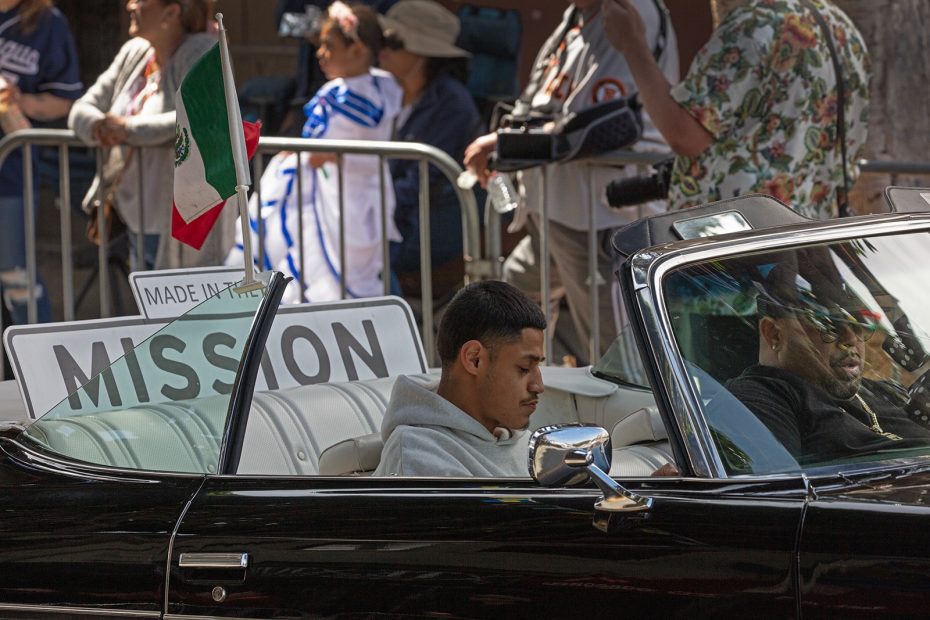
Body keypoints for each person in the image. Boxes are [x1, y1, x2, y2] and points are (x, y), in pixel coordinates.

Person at [463, 0, 679, 363]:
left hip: (604, 215)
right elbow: (536, 106)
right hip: (555, 209)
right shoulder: (576, 15)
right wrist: (507, 139)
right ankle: (526, 395)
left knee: (618, 353)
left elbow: (603, 125)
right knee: (507, 301)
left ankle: (637, 417)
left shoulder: (630, 10)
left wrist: (506, 143)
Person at [603, 0, 871, 219]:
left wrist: (632, 44)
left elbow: (684, 134)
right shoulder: (842, 28)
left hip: (737, 241)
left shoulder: (750, 27)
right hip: (810, 233)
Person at [227, 2, 402, 303]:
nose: (320, 54)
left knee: (333, 263)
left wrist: (298, 157)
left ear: (357, 50)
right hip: (359, 190)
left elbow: (325, 150)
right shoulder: (384, 87)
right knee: (342, 266)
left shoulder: (344, 94)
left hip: (338, 193)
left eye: (329, 46)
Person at [726, 259, 930, 465]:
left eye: (858, 325)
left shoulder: (882, 391)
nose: (851, 339)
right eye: (829, 325)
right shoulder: (756, 401)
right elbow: (781, 490)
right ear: (774, 334)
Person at [69, 0, 218, 271]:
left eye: (140, 0)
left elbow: (199, 118)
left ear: (170, 12)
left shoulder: (201, 50)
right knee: (149, 312)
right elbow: (79, 110)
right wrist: (99, 126)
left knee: (178, 311)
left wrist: (126, 129)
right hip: (133, 218)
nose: (129, 6)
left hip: (180, 222)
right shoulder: (134, 52)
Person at [374, 279, 547, 477]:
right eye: (524, 368)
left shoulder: (528, 445)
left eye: (538, 366)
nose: (538, 385)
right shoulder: (417, 453)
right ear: (474, 359)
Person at [377, 0, 481, 298]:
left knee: (354, 253)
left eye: (394, 42)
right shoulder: (385, 92)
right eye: (382, 41)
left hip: (422, 226)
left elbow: (422, 181)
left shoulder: (452, 105)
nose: (382, 50)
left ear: (422, 53)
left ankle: (383, 334)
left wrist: (367, 206)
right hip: (386, 214)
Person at [0, 0, 81, 324]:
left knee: (15, 274)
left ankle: (37, 366)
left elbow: (64, 101)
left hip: (12, 170)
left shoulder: (47, 22)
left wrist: (18, 100)